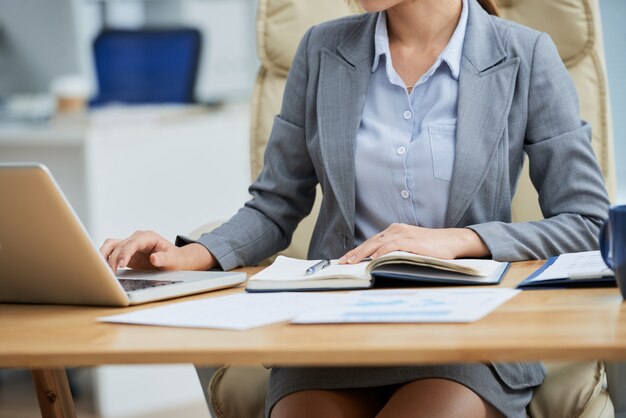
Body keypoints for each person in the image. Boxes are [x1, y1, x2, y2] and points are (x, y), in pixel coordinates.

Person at [100, 0, 610, 416]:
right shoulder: (322, 49)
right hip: (333, 333)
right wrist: (188, 256)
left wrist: (462, 241)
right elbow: (276, 204)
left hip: (464, 339)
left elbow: (588, 222)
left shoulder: (525, 55)